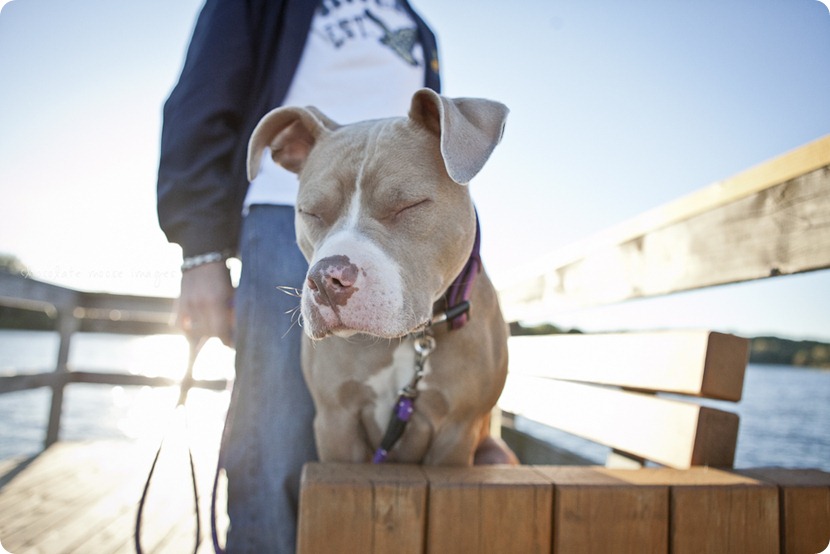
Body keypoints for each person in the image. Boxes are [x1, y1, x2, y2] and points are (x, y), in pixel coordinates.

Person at [156, 1, 441, 552]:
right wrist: (199, 251)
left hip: (403, 231)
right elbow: (204, 94)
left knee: (402, 444)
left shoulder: (417, 25)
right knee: (276, 432)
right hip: (293, 218)